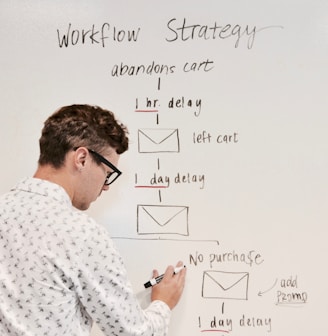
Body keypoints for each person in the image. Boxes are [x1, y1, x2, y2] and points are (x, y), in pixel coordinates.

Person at [0, 104, 186, 335]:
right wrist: (163, 303)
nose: (106, 186)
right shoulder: (81, 233)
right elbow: (132, 333)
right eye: (108, 174)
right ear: (81, 158)